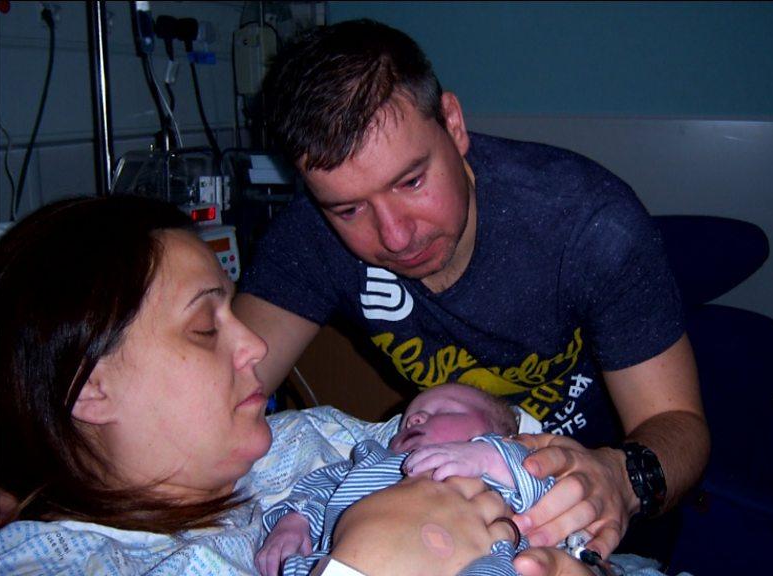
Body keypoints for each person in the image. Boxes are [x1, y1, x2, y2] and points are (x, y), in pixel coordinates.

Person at [235, 18, 710, 560]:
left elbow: (681, 427)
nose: (394, 236)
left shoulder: (588, 225)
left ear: (454, 124)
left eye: (411, 181)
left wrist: (621, 479)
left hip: (593, 532)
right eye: (349, 209)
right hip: (427, 527)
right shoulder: (310, 233)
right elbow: (219, 394)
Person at [0, 195, 596, 576]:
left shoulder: (308, 436)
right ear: (89, 387)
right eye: (206, 327)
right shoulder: (67, 563)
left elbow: (518, 444)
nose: (255, 345)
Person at [257, 383, 553, 576]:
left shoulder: (498, 474)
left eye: (444, 411)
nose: (414, 419)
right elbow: (320, 488)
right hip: (342, 560)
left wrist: (490, 456)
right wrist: (294, 523)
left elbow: (542, 485)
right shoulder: (374, 459)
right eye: (410, 417)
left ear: (501, 436)